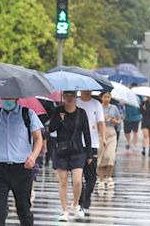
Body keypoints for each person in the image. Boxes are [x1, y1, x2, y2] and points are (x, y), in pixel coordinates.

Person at [0, 98, 43, 226]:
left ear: (17, 98)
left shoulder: (27, 114)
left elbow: (38, 139)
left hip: (22, 168)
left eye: (9, 97)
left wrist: (33, 156)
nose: (6, 100)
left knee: (24, 209)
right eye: (4, 97)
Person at [49, 91, 92, 222]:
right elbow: (51, 129)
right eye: (66, 95)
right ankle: (64, 210)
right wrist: (59, 118)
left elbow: (87, 133)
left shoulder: (81, 113)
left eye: (71, 95)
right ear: (63, 96)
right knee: (63, 182)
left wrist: (89, 153)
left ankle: (75, 204)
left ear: (75, 96)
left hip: (78, 151)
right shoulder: (58, 111)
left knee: (78, 180)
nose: (69, 98)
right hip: (61, 151)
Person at [76, 90, 106, 211]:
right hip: (77, 144)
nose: (87, 92)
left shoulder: (96, 104)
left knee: (91, 175)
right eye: (84, 89)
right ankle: (80, 199)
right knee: (77, 175)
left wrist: (103, 137)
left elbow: (101, 123)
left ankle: (87, 196)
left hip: (92, 144)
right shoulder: (75, 103)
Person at [98, 92, 120, 191]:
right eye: (105, 97)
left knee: (110, 156)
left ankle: (109, 177)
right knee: (101, 156)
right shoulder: (98, 107)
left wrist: (113, 120)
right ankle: (101, 179)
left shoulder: (114, 108)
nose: (107, 99)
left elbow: (119, 121)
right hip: (100, 133)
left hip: (111, 132)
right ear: (101, 98)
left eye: (108, 97)